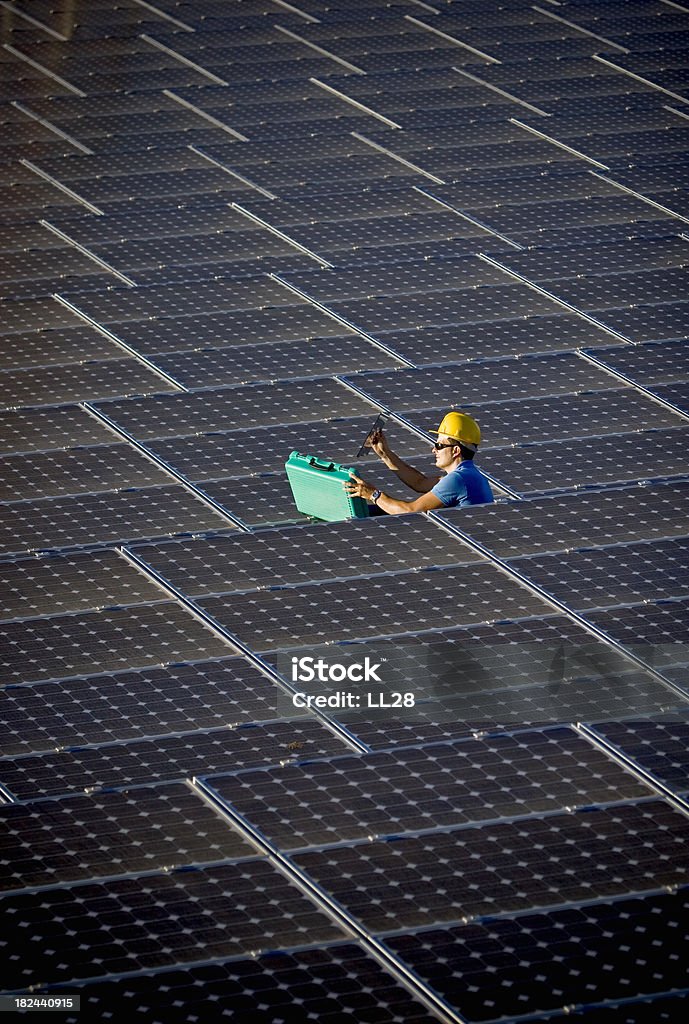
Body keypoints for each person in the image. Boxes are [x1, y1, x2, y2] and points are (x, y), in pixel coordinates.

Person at [344, 411, 494, 515]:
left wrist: (373, 495)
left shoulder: (458, 480)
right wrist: (385, 454)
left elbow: (410, 511)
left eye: (439, 445)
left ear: (455, 451)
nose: (433, 450)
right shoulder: (468, 475)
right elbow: (419, 483)